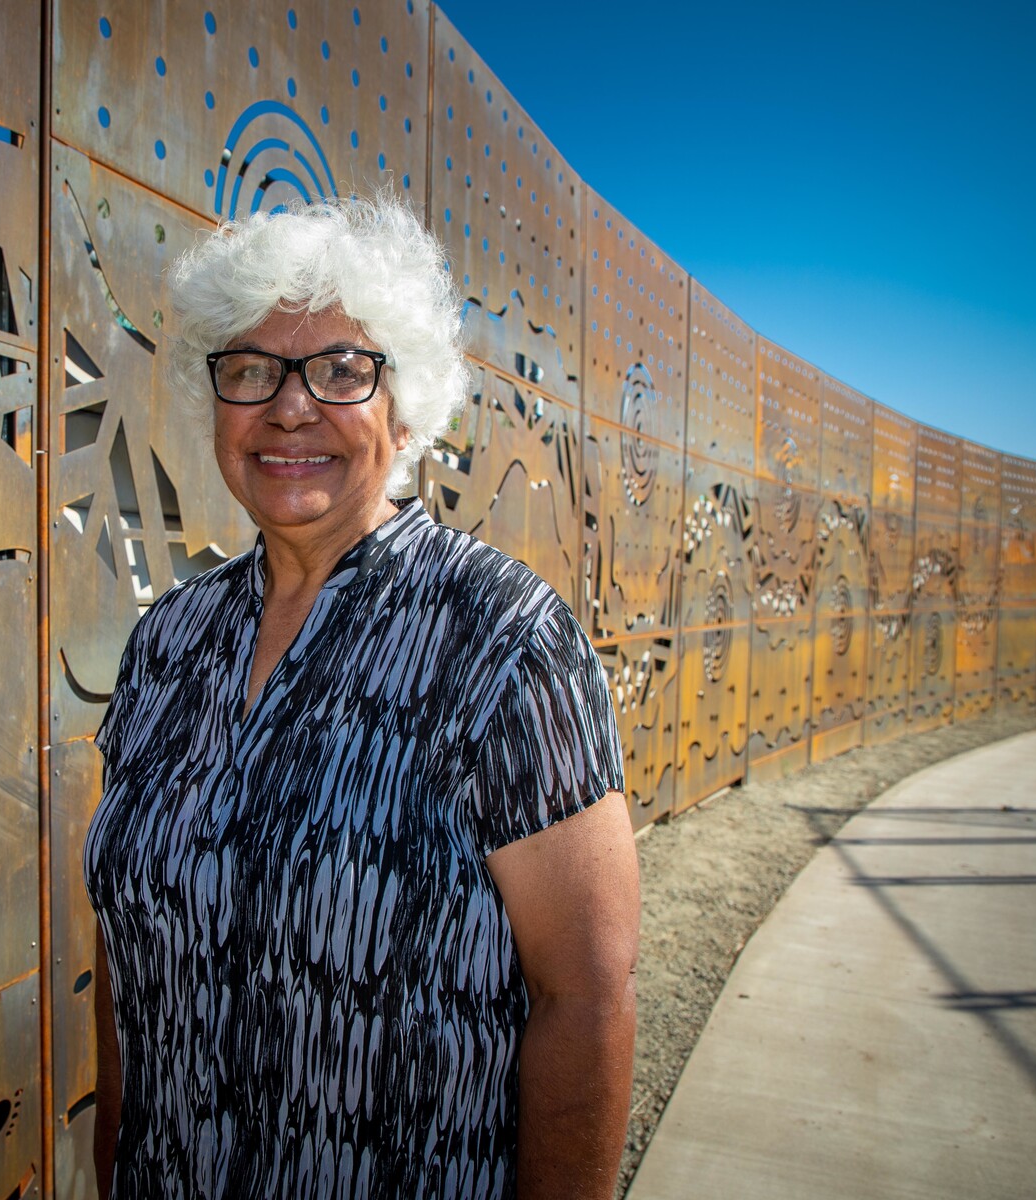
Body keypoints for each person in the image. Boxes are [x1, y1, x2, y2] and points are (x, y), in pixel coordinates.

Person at [83, 193, 639, 1200]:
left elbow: (586, 1000)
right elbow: (129, 964)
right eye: (250, 369)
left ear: (409, 406)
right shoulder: (167, 644)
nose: (290, 407)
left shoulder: (503, 641)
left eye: (343, 371)